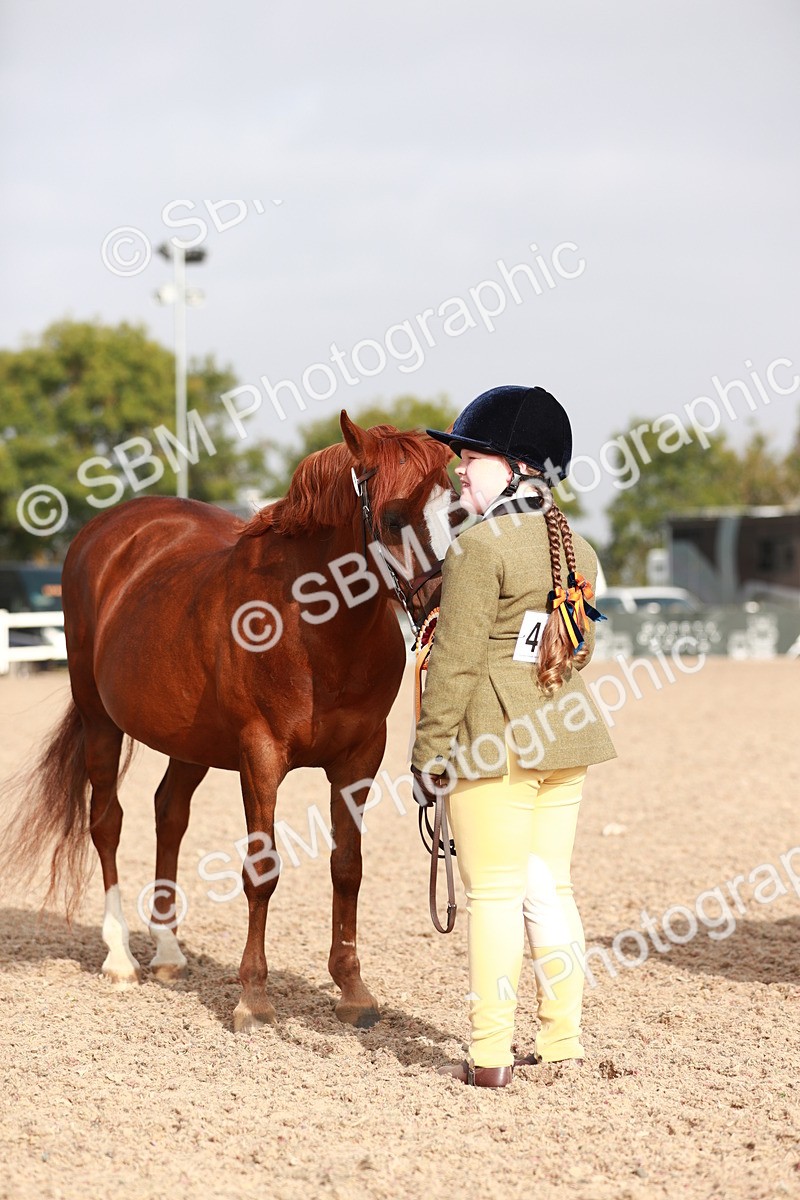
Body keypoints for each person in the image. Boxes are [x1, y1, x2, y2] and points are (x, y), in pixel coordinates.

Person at [411, 384, 617, 1088]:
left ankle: (490, 1054)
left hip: (491, 740)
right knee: (549, 890)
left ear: (519, 465)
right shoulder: (580, 548)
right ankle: (562, 1041)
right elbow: (577, 652)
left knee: (495, 896)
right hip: (565, 738)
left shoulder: (476, 547)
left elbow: (456, 664)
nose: (459, 471)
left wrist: (427, 754)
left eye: (473, 458)